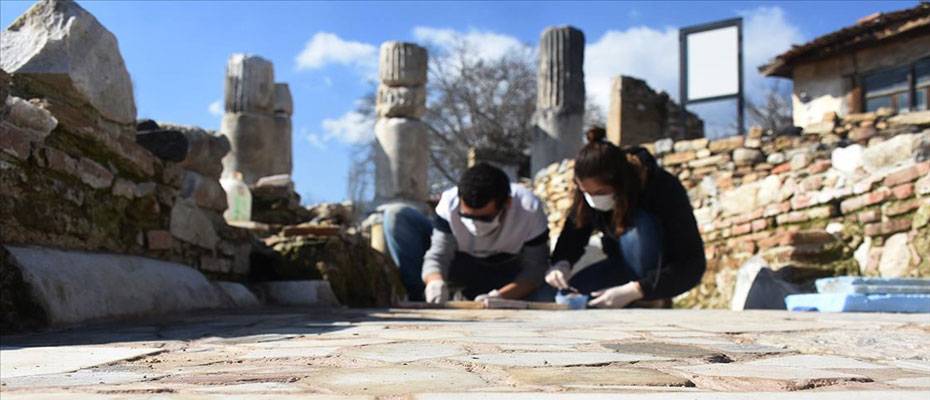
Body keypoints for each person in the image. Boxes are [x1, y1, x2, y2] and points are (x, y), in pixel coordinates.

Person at [544, 127, 705, 308]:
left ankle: (651, 299)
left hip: (658, 273)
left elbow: (692, 265)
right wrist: (561, 263)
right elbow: (574, 231)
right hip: (620, 267)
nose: (593, 199)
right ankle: (632, 300)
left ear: (621, 183)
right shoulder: (588, 193)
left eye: (601, 192)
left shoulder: (663, 188)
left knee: (637, 229)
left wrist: (637, 290)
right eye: (585, 192)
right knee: (569, 296)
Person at [382, 163, 551, 303]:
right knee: (397, 216)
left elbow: (534, 269)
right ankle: (422, 297)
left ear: (507, 203)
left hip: (507, 273)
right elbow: (438, 255)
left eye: (485, 218)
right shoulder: (449, 204)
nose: (475, 225)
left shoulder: (529, 208)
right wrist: (435, 281)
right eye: (467, 216)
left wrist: (501, 297)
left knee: (549, 296)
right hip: (461, 266)